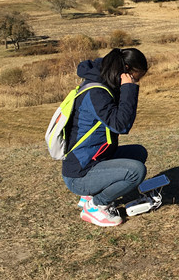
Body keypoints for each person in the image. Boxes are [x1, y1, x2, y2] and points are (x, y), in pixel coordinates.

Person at [62, 47, 149, 227]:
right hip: (80, 174)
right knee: (136, 171)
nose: (136, 80)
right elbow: (121, 125)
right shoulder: (96, 92)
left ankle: (92, 194)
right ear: (125, 70)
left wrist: (125, 87)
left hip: (94, 160)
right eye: (136, 76)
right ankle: (95, 205)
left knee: (138, 153)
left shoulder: (104, 83)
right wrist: (129, 88)